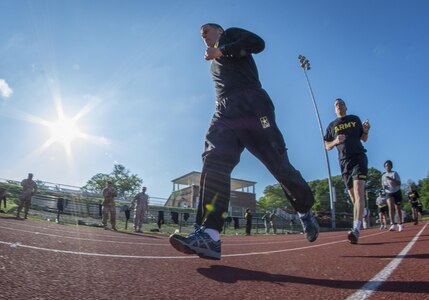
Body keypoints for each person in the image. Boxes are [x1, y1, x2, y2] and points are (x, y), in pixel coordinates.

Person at [169, 23, 319, 260]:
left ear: (218, 30)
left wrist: (222, 50)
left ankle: (303, 208)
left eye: (206, 32)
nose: (203, 37)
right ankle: (209, 234)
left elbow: (258, 44)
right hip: (224, 112)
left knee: (276, 161)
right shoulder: (212, 64)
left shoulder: (230, 36)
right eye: (200, 36)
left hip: (251, 104)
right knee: (214, 161)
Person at [324, 98, 371, 244]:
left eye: (340, 103)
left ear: (346, 107)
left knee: (358, 192)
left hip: (358, 158)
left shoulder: (354, 119)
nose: (338, 105)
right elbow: (327, 146)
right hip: (344, 163)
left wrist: (366, 130)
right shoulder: (332, 125)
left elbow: (364, 138)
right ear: (334, 109)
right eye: (335, 105)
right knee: (353, 197)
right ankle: (363, 211)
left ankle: (356, 229)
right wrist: (336, 141)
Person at [381, 160, 403, 232]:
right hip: (389, 192)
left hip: (396, 191)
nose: (387, 167)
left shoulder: (394, 173)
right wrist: (384, 187)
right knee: (390, 207)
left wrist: (391, 179)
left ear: (391, 166)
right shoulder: (383, 176)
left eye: (389, 165)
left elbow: (399, 183)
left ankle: (400, 224)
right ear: (384, 167)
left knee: (398, 208)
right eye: (386, 165)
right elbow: (383, 185)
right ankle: (392, 224)